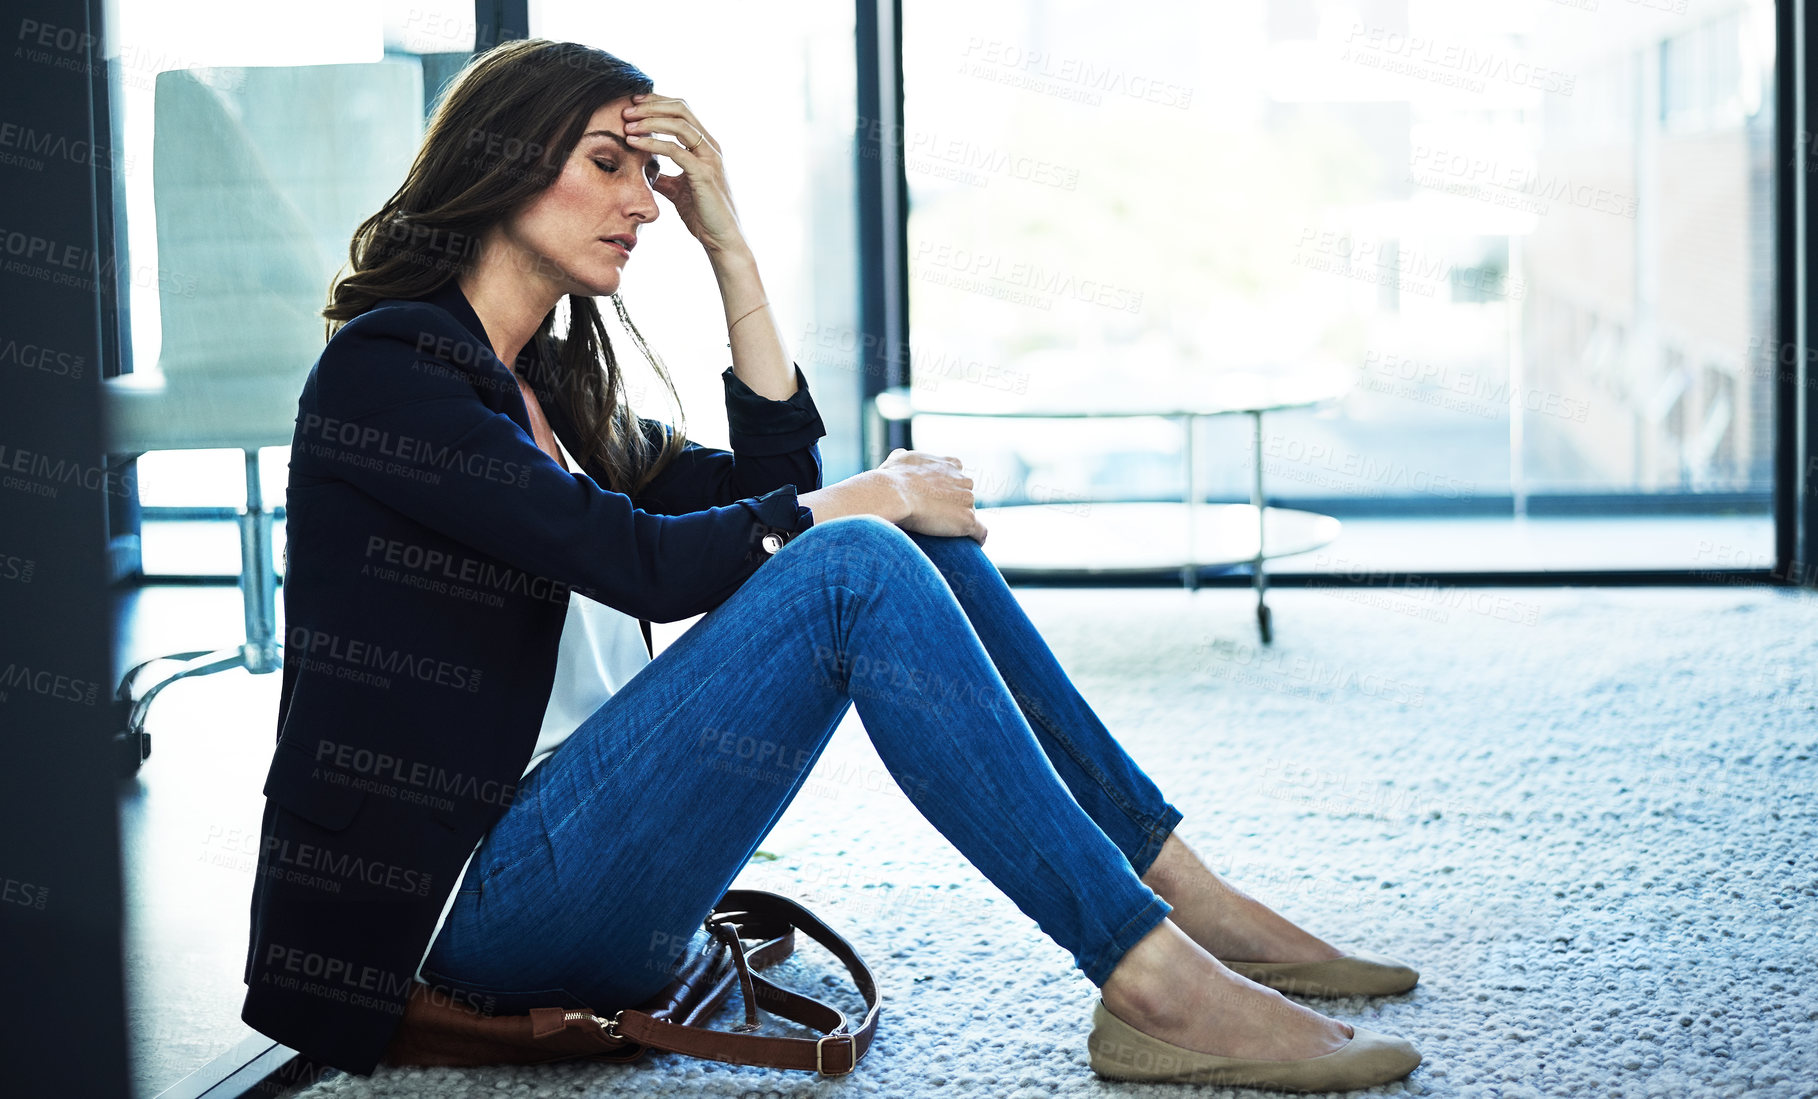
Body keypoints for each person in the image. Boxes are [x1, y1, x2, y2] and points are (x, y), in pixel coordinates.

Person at [240, 37, 1422, 1091]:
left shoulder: (549, 390)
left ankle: (1183, 896)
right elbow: (651, 564)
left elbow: (772, 483)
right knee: (854, 552)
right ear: (499, 164)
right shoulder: (388, 374)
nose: (643, 203)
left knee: (893, 543)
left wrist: (733, 250)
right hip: (461, 912)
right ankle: (1151, 979)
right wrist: (860, 502)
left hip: (586, 856)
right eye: (609, 162)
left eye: (649, 176)